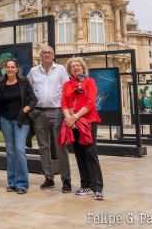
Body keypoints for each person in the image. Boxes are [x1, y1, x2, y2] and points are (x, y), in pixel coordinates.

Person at [26, 45, 72, 192]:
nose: (46, 54)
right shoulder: (33, 71)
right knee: (43, 147)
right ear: (40, 55)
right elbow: (28, 90)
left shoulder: (61, 70)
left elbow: (67, 90)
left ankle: (66, 180)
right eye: (44, 52)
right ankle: (49, 178)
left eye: (49, 52)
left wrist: (68, 112)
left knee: (61, 147)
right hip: (39, 113)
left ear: (53, 55)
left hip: (57, 112)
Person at [62, 57, 104, 200]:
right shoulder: (67, 84)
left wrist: (75, 117)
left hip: (87, 121)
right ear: (69, 70)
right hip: (73, 123)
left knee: (91, 152)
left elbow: (90, 102)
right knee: (79, 153)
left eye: (78, 65)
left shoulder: (89, 82)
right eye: (72, 66)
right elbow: (64, 103)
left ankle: (97, 187)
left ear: (83, 67)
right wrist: (68, 118)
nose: (75, 67)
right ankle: (85, 184)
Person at [0, 59, 37, 194]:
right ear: (5, 69)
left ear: (17, 69)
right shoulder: (1, 84)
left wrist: (25, 110)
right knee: (10, 151)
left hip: (21, 120)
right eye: (8, 67)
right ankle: (12, 183)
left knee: (19, 150)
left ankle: (22, 184)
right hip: (5, 120)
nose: (10, 69)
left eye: (13, 67)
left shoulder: (24, 83)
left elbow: (33, 100)